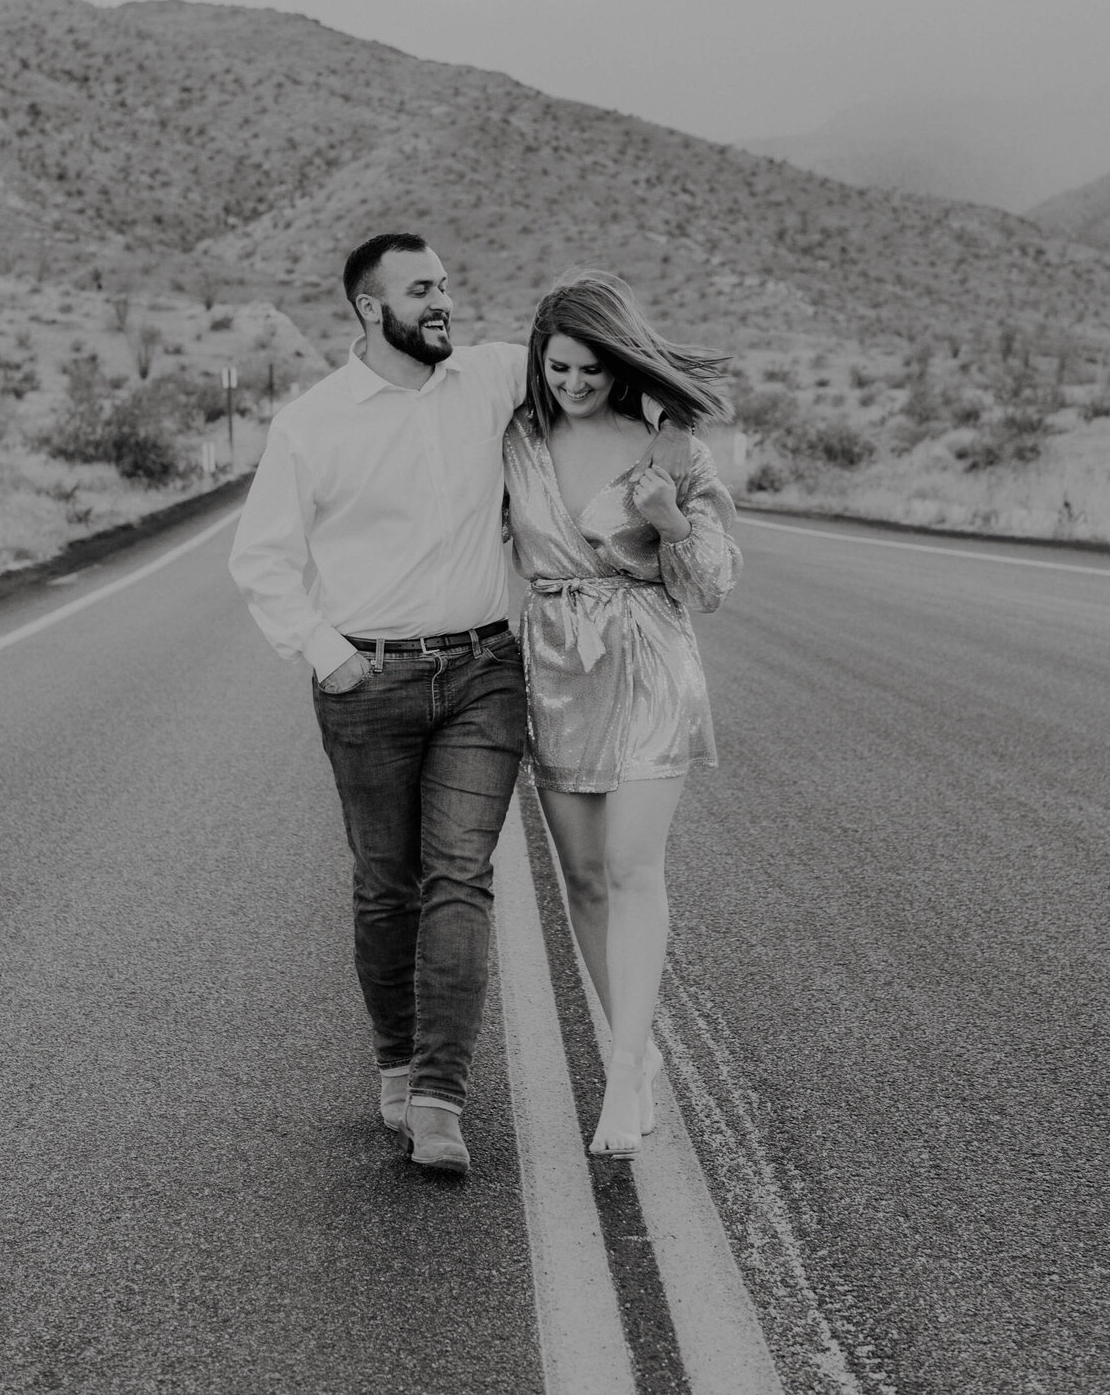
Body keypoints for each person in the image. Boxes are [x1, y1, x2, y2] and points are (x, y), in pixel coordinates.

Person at [228, 233, 689, 1176]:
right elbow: (261, 562)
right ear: (370, 306)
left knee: (459, 879)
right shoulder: (313, 425)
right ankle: (396, 1066)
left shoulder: (488, 381)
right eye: (423, 290)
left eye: (446, 284)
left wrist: (667, 436)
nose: (444, 302)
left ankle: (440, 1098)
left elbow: (587, 375)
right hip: (367, 683)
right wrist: (329, 657)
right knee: (385, 886)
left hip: (484, 670)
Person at [503, 271, 741, 1158]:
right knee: (586, 879)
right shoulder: (518, 443)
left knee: (634, 867)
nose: (572, 385)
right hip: (560, 666)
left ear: (619, 362)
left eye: (589, 371)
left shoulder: (671, 447)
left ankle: (623, 1064)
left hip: (647, 658)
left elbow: (713, 584)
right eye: (558, 368)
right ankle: (633, 1063)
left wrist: (668, 521)